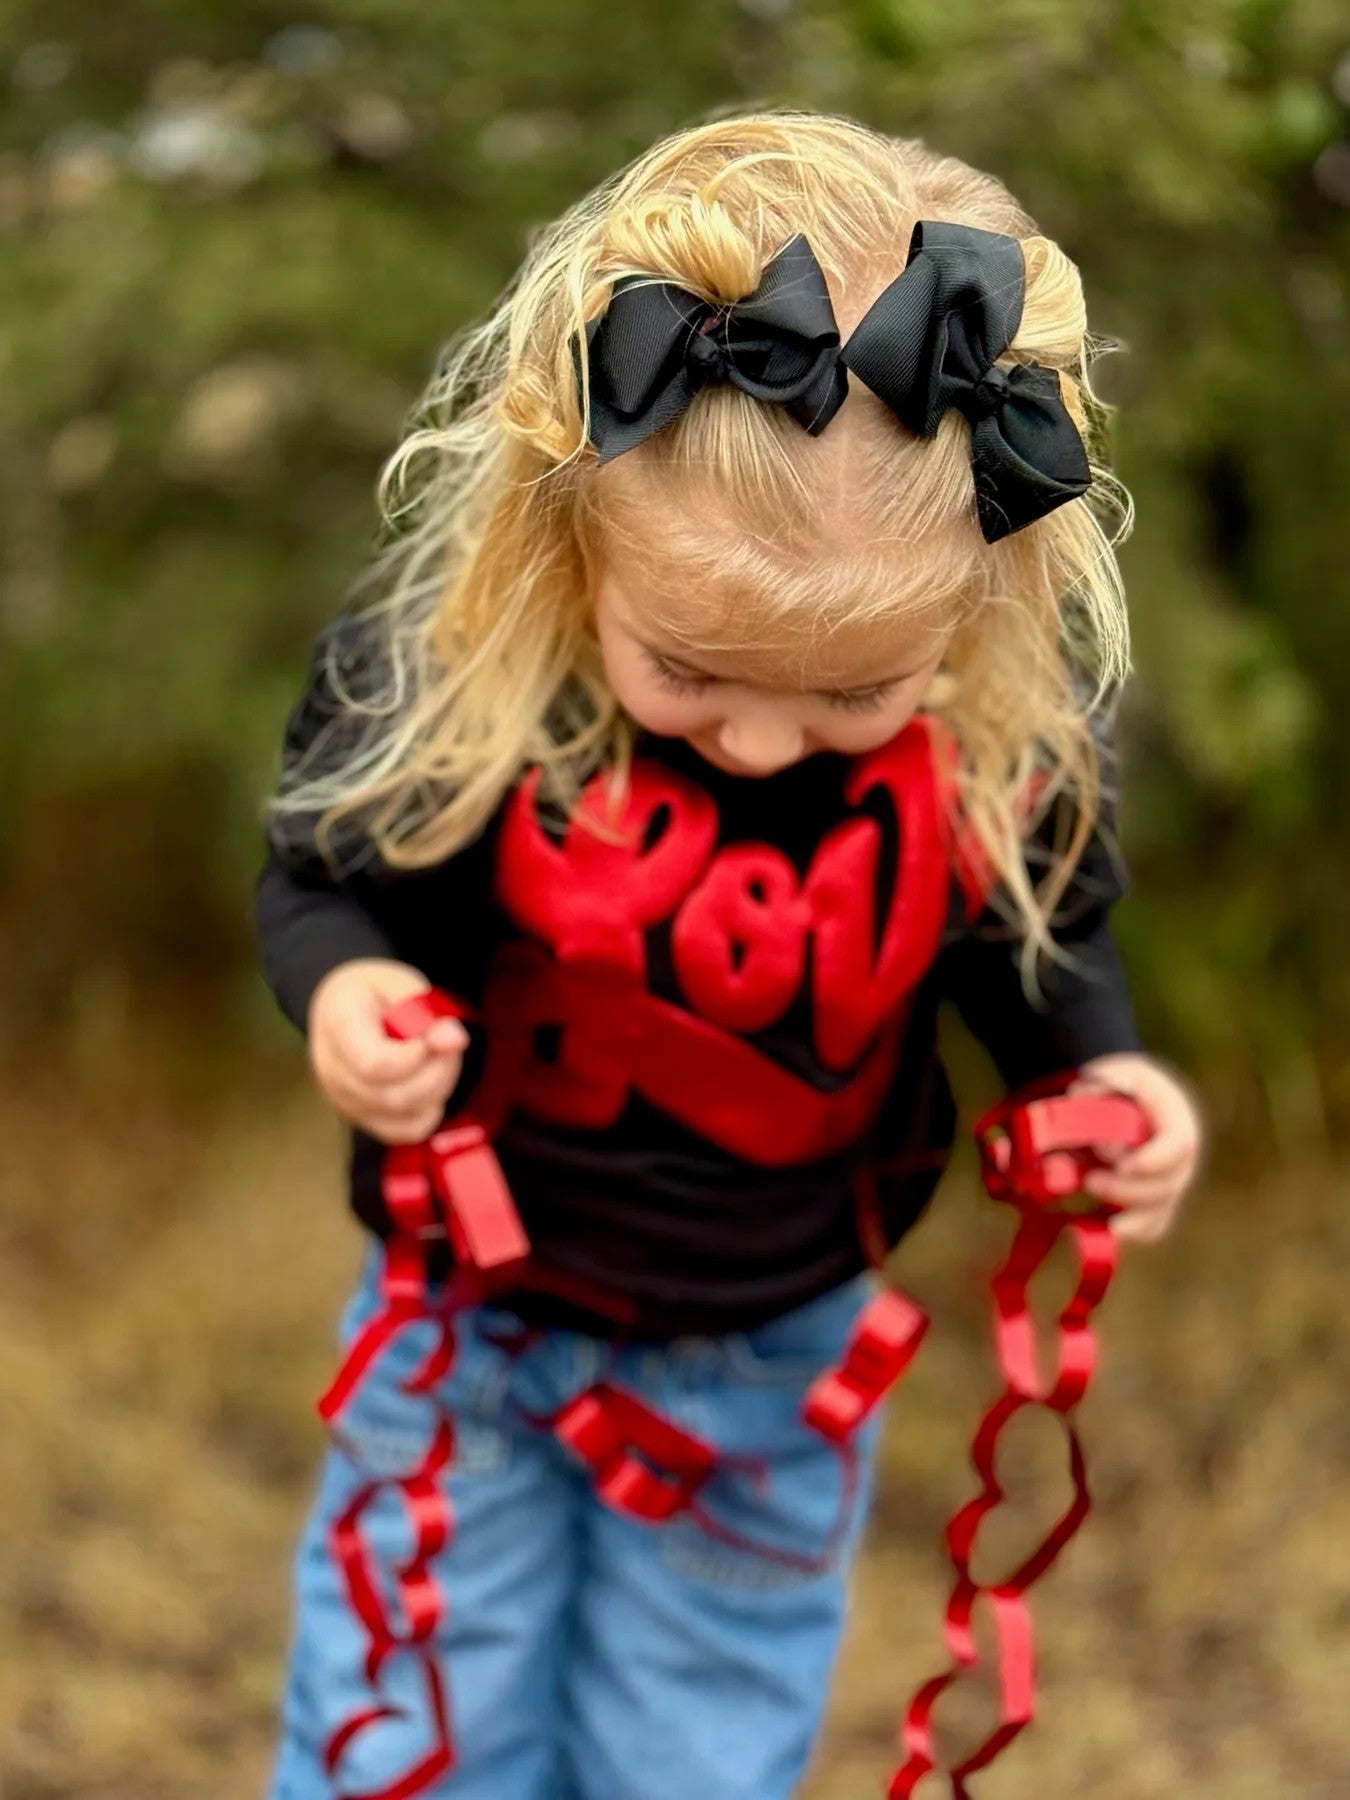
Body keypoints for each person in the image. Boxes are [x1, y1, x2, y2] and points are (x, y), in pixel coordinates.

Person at [252, 109, 1202, 1800]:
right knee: (412, 1730)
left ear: (975, 613)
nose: (762, 744)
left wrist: (1105, 1080)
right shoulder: (462, 687)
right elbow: (318, 878)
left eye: (849, 696)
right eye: (688, 670)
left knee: (695, 1746)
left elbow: (1045, 964)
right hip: (466, 1323)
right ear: (568, 534)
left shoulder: (1000, 751)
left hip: (774, 1368)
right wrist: (344, 988)